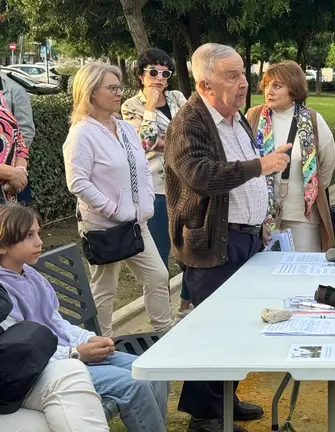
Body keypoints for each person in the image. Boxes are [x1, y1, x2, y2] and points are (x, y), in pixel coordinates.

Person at [165, 43, 291, 432]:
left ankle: (226, 399)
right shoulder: (189, 123)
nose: (244, 83)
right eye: (233, 76)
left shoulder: (236, 118)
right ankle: (205, 416)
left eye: (243, 74)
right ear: (205, 83)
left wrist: (261, 222)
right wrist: (261, 166)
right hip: (213, 244)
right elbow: (202, 176)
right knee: (213, 330)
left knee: (239, 327)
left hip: (245, 239)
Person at [0, 204, 168, 431]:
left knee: (149, 370)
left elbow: (55, 321)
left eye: (38, 233)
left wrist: (89, 339)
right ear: (2, 245)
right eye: (28, 236)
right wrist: (77, 353)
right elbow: (19, 354)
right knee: (132, 385)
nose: (39, 241)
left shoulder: (31, 274)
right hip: (46, 371)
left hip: (74, 354)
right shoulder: (3, 295)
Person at [63, 62, 173, 338]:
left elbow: (143, 167)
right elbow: (78, 182)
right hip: (103, 227)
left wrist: (145, 202)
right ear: (90, 92)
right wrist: (113, 209)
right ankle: (103, 343)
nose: (119, 93)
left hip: (137, 223)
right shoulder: (81, 133)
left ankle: (165, 333)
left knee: (158, 277)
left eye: (119, 87)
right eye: (111, 88)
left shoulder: (123, 128)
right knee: (105, 290)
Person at [121, 48, 192, 318]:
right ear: (141, 76)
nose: (159, 78)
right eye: (153, 72)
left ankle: (187, 304)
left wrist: (166, 143)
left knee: (190, 250)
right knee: (158, 256)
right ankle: (161, 320)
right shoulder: (131, 106)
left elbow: (189, 134)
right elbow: (144, 142)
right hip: (157, 190)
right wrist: (150, 106)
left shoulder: (176, 97)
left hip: (185, 184)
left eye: (165, 73)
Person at [245, 60, 335, 252]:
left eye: (277, 86)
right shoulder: (253, 117)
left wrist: (312, 189)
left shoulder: (311, 119)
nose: (269, 91)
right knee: (268, 272)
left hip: (302, 215)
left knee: (304, 271)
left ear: (293, 89)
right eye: (267, 85)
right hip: (262, 216)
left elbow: (328, 163)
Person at [0, 72, 34, 205]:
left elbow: (20, 138)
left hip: (9, 192)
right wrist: (9, 173)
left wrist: (19, 171)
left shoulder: (8, 90)